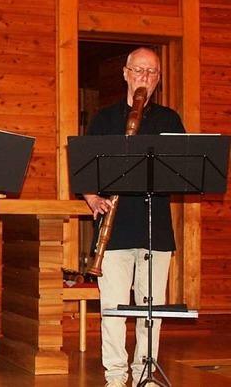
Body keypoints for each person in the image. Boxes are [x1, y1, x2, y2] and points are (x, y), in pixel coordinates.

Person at [83, 47, 185, 387]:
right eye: (138, 70)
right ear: (125, 73)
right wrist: (92, 197)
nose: (144, 77)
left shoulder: (169, 120)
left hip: (156, 227)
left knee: (150, 311)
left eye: (151, 72)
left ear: (157, 79)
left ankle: (145, 373)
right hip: (114, 231)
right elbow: (84, 169)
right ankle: (115, 376)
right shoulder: (105, 119)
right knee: (112, 309)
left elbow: (182, 171)